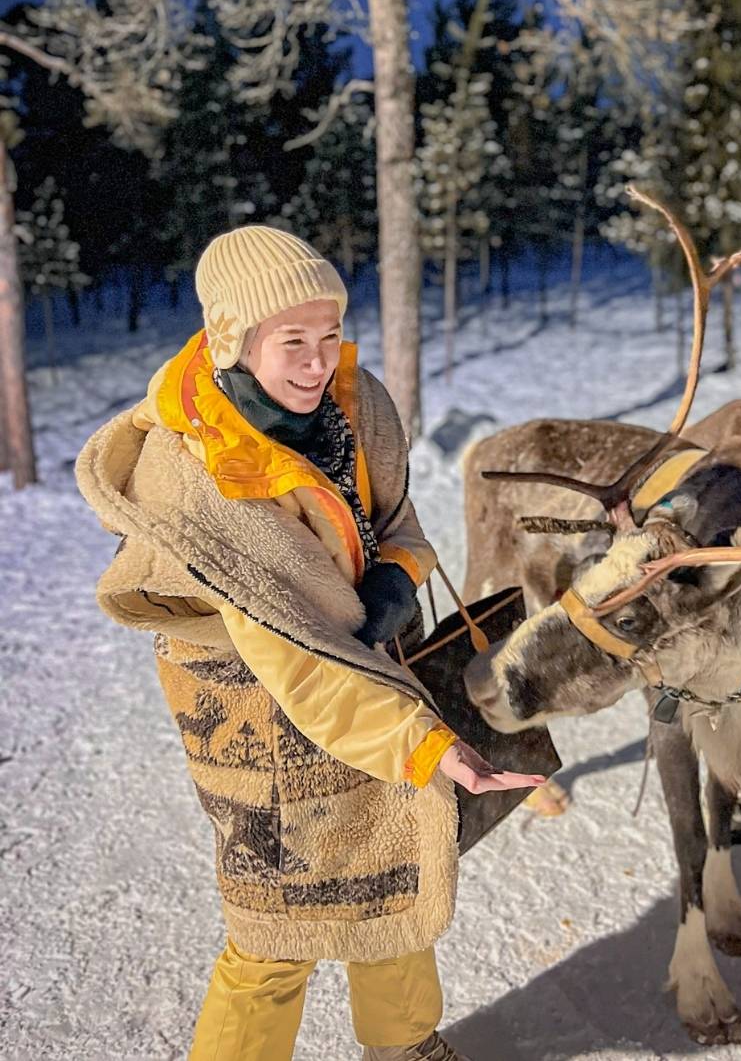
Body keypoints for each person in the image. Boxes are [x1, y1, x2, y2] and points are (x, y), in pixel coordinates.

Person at [76, 226, 542, 1061]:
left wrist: (396, 576)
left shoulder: (356, 407)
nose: (317, 362)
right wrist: (433, 745)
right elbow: (298, 658)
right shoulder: (201, 476)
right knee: (274, 923)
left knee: (396, 863)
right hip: (251, 700)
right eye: (292, 341)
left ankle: (405, 1045)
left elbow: (395, 517)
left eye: (328, 336)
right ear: (230, 339)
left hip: (359, 670)